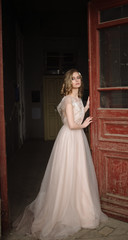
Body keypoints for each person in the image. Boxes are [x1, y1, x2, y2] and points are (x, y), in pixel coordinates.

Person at [14, 69, 107, 240]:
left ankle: (82, 209)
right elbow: (72, 125)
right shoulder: (67, 100)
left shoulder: (78, 99)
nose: (77, 80)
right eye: (73, 78)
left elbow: (77, 118)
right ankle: (63, 210)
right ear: (68, 82)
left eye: (79, 77)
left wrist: (85, 107)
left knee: (79, 173)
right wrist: (85, 123)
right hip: (70, 138)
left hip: (78, 139)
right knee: (67, 173)